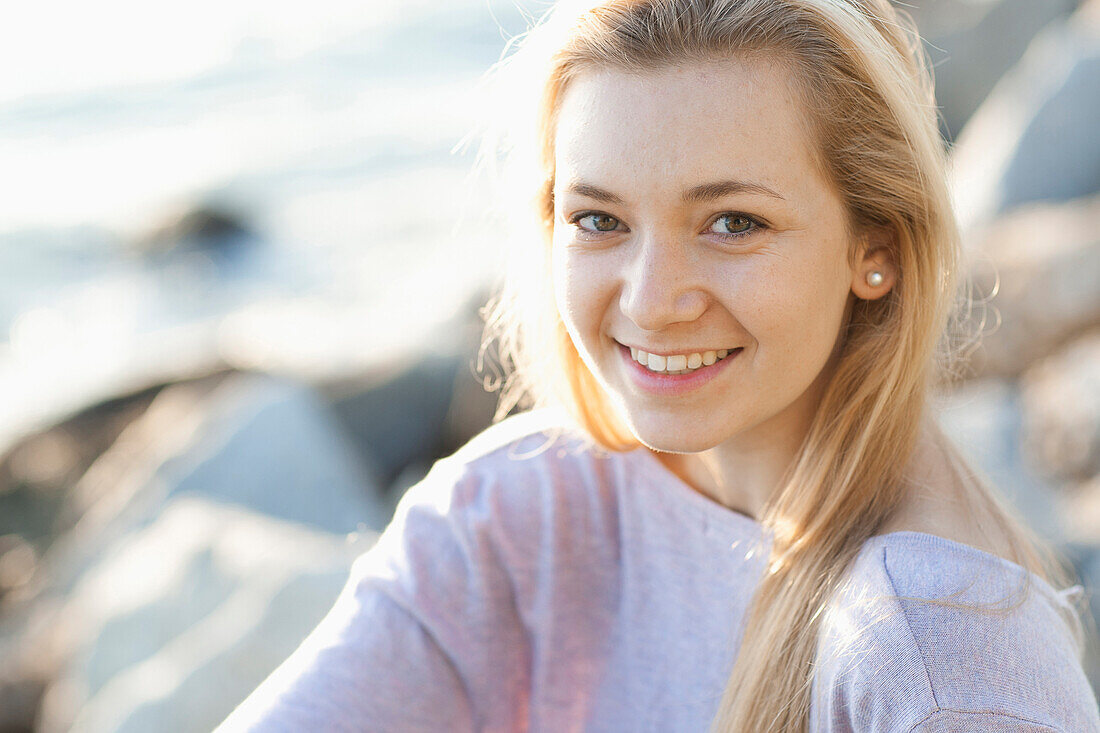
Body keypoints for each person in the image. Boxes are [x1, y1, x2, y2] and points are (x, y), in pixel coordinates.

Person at [219, 0, 1100, 730]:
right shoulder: (515, 514)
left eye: (732, 223)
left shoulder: (948, 664)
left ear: (879, 249)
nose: (650, 300)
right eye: (599, 220)